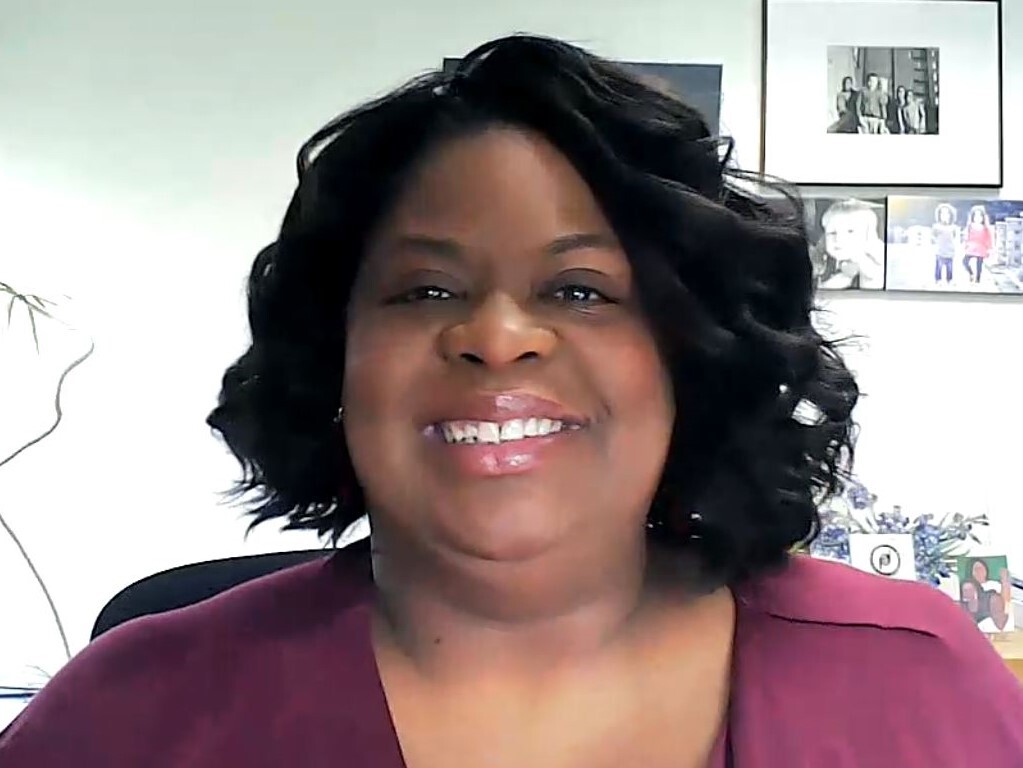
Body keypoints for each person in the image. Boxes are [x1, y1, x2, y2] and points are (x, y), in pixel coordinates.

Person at [2, 34, 1021, 767]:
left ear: (690, 356)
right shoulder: (123, 722)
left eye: (578, 290)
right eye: (424, 290)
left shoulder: (916, 684)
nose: (495, 337)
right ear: (334, 357)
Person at [810, 199, 885, 290]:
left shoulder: (874, 260)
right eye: (832, 233)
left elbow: (874, 276)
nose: (838, 239)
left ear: (870, 235)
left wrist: (859, 263)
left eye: (850, 231)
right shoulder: (824, 259)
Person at [964, 205, 994, 284]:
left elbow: (989, 238)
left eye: (980, 216)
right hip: (971, 247)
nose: (977, 218)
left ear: (983, 217)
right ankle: (971, 273)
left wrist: (989, 249)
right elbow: (967, 237)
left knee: (979, 265)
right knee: (965, 261)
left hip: (981, 248)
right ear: (972, 217)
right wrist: (966, 244)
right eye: (975, 216)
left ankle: (977, 279)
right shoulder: (970, 226)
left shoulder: (985, 228)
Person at [933, 203, 960, 286]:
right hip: (940, 251)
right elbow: (933, 236)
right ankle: (938, 279)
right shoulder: (936, 226)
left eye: (946, 213)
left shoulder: (953, 227)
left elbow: (955, 237)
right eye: (942, 213)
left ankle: (949, 279)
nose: (944, 216)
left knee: (949, 267)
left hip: (950, 251)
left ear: (950, 215)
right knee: (939, 267)